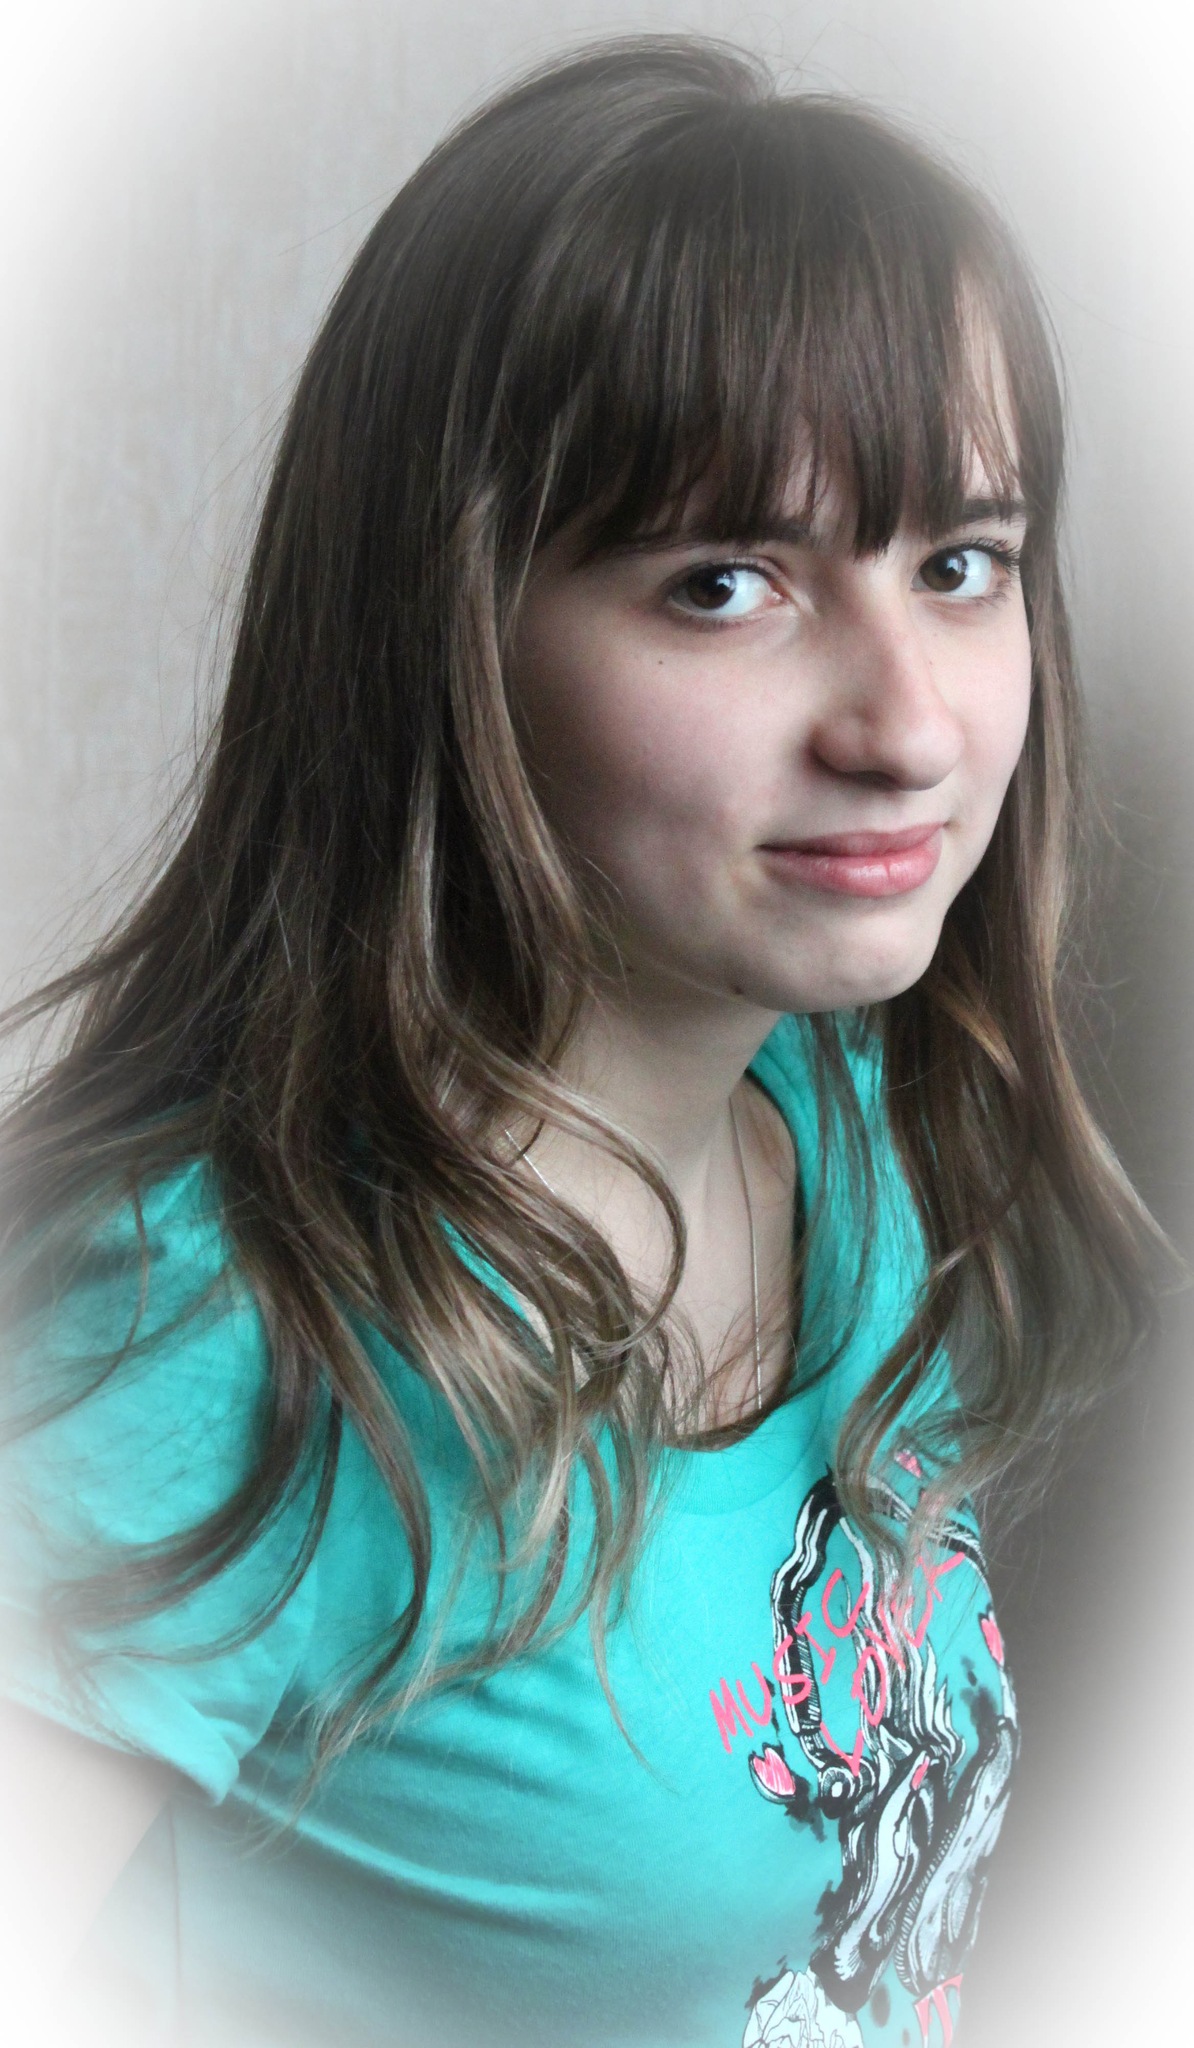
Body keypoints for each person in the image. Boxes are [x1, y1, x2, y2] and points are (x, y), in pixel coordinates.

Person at [0, 33, 1155, 2048]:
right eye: (726, 583)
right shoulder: (211, 1327)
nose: (909, 723)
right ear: (448, 628)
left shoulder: (841, 1116)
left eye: (959, 563)